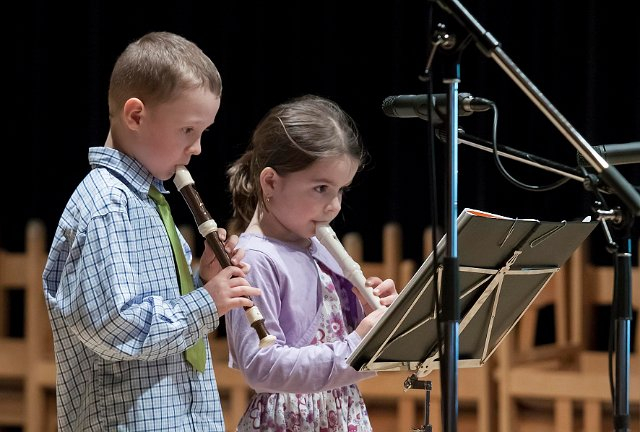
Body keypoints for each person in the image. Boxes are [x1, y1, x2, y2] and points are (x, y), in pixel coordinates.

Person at [42, 31, 261, 431]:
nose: (196, 148)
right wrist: (206, 303)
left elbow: (153, 306)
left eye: (202, 133)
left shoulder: (148, 201)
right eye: (187, 130)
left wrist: (202, 281)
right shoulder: (107, 208)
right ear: (136, 116)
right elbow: (114, 326)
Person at [225, 94, 399, 431]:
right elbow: (260, 367)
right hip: (290, 420)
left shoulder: (318, 246)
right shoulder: (255, 259)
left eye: (341, 190)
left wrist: (367, 316)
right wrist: (357, 344)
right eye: (321, 188)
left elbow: (332, 340)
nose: (334, 206)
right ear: (271, 182)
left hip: (340, 412)